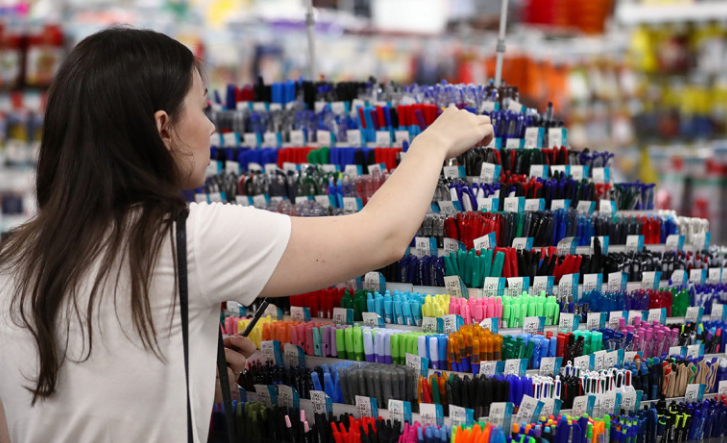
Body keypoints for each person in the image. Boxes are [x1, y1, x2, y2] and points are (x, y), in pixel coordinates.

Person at [0, 27, 493, 443]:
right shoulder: (188, 239)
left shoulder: (13, 256)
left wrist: (188, 383)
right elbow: (380, 237)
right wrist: (433, 142)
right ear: (163, 128)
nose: (212, 127)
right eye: (202, 108)